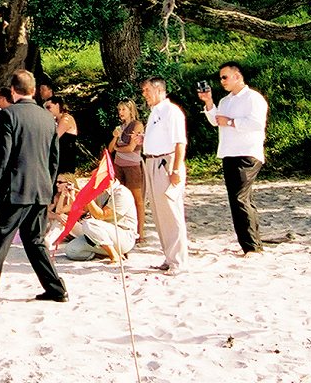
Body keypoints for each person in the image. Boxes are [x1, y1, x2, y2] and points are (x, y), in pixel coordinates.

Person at [0, 71, 68, 313]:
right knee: (34, 241)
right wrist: (50, 186)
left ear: (13, 91)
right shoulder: (47, 118)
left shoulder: (8, 115)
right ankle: (56, 288)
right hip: (41, 187)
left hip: (17, 188)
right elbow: (55, 158)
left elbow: (4, 155)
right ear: (33, 91)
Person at [199, 62, 268, 256]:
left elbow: (256, 123)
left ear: (237, 76)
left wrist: (231, 122)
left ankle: (252, 247)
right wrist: (208, 102)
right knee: (239, 199)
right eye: (221, 78)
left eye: (225, 77)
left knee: (240, 198)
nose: (222, 81)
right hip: (229, 153)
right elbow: (216, 121)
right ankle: (250, 242)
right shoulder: (226, 101)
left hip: (246, 153)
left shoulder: (253, 98)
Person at [140, 76, 189, 274]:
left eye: (147, 90)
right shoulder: (154, 113)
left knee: (171, 211)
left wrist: (176, 169)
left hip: (165, 164)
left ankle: (179, 261)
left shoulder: (171, 111)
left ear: (159, 90)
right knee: (160, 214)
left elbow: (180, 143)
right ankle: (169, 257)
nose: (144, 95)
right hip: (151, 162)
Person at [62, 179, 138, 262]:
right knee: (71, 250)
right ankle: (108, 254)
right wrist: (74, 197)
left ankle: (114, 255)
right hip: (101, 234)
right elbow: (81, 211)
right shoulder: (100, 191)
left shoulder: (122, 193)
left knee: (89, 223)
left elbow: (101, 216)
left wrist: (87, 198)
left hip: (123, 236)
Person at [107, 100, 146, 241]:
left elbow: (130, 148)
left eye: (123, 109)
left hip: (132, 165)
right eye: (119, 110)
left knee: (137, 199)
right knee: (119, 197)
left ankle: (140, 233)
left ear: (131, 110)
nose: (121, 112)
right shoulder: (120, 127)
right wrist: (115, 137)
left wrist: (117, 148)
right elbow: (110, 148)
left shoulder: (136, 125)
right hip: (119, 165)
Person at [45, 96, 77, 174]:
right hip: (58, 157)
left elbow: (54, 137)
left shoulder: (66, 119)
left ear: (57, 106)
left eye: (49, 107)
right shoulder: (57, 120)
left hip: (66, 158)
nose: (46, 111)